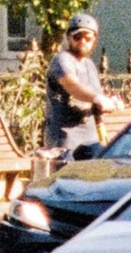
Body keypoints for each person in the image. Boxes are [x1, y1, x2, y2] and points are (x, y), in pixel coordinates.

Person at [44, 16, 108, 160]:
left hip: (91, 144)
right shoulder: (62, 60)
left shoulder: (90, 65)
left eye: (88, 38)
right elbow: (72, 85)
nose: (82, 41)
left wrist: (108, 103)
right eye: (77, 37)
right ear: (69, 38)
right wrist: (98, 98)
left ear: (94, 40)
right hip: (66, 144)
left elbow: (96, 99)